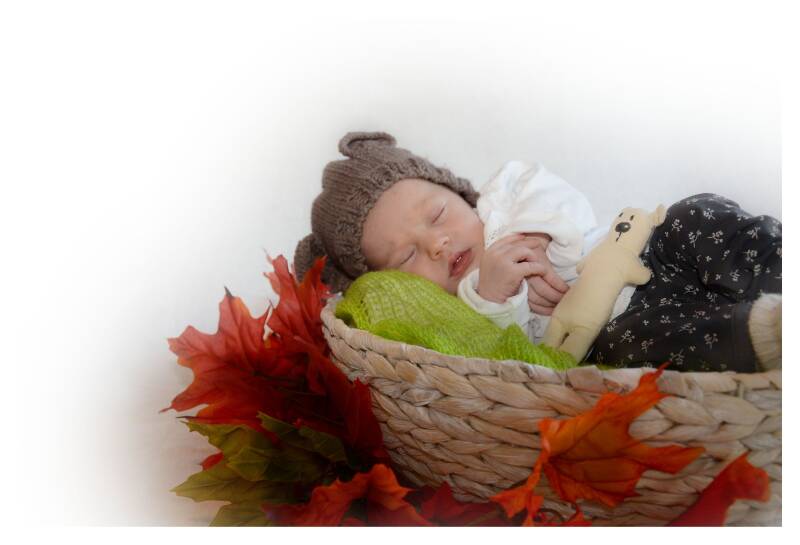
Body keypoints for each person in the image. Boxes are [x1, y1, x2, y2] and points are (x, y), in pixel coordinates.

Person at [293, 131, 781, 372]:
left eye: (437, 214)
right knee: (625, 355)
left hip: (646, 256)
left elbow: (555, 195)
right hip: (618, 328)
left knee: (691, 215)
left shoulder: (505, 198)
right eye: (407, 257)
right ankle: (765, 332)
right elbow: (512, 360)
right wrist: (495, 298)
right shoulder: (461, 309)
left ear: (457, 192)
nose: (436, 243)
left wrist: (539, 233)